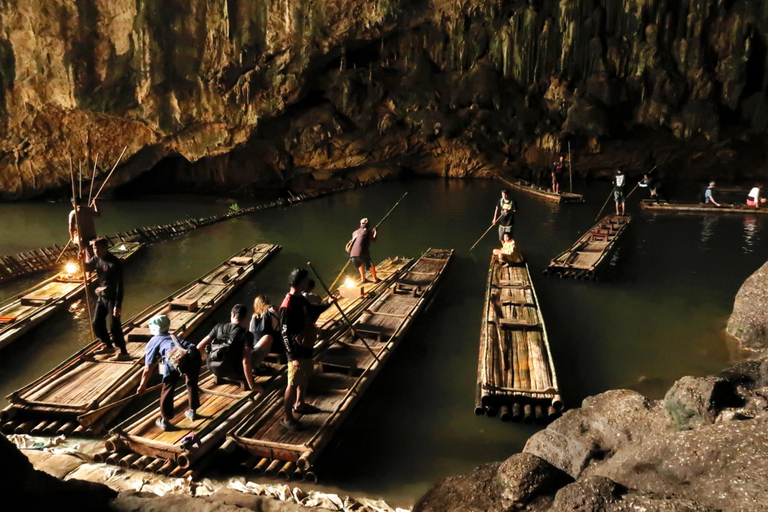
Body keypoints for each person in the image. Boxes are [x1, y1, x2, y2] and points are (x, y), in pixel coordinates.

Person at [280, 268, 333, 431]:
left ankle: (300, 404)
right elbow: (284, 333)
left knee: (305, 375)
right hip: (295, 349)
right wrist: (292, 357)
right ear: (300, 282)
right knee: (292, 382)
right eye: (305, 281)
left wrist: (327, 304)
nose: (307, 283)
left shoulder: (301, 300)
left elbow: (312, 311)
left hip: (306, 343)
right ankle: (287, 417)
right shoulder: (287, 305)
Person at [136, 314, 201, 431]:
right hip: (193, 354)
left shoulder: (153, 341)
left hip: (175, 360)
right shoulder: (173, 336)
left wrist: (142, 385)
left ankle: (165, 421)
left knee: (168, 387)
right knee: (191, 382)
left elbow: (148, 368)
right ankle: (193, 411)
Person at [196, 304, 267, 392]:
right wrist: (252, 386)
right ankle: (258, 368)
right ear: (244, 318)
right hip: (236, 372)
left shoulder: (218, 327)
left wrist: (204, 358)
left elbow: (199, 347)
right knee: (267, 339)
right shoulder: (246, 334)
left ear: (233, 315)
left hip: (215, 369)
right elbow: (245, 361)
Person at [85, 237, 129, 360]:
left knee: (114, 326)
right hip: (102, 296)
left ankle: (124, 353)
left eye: (98, 248)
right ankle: (108, 345)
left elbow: (120, 285)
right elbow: (88, 267)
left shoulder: (114, 263)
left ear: (105, 248)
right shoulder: (96, 259)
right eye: (94, 248)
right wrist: (80, 262)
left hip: (113, 298)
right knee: (97, 322)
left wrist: (118, 304)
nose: (95, 251)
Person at [249, 295, 279, 368]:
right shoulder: (271, 311)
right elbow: (278, 327)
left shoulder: (253, 317)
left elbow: (250, 333)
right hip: (273, 347)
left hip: (257, 347)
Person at [348, 218, 379, 283]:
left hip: (352, 255)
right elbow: (373, 239)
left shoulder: (354, 233)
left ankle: (363, 279)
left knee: (359, 264)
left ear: (360, 225)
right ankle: (375, 279)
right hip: (361, 253)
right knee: (371, 265)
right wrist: (375, 231)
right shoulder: (367, 231)